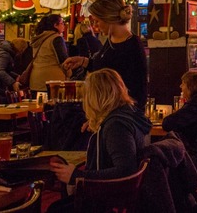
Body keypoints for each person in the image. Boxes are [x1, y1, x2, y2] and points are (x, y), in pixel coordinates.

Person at [48, 69, 151, 212]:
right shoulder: (130, 114)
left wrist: (78, 176)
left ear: (96, 97)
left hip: (107, 200)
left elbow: (125, 170)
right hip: (117, 197)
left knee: (55, 209)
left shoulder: (116, 125)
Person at [64, 0, 148, 110]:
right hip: (106, 111)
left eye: (97, 21)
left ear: (109, 18)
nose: (95, 26)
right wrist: (83, 61)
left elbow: (137, 89)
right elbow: (104, 67)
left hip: (120, 115)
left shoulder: (132, 45)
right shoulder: (111, 40)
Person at [29, 14, 69, 91]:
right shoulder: (56, 38)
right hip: (53, 82)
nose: (64, 25)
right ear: (55, 25)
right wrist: (69, 73)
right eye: (62, 23)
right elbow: (63, 60)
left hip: (35, 80)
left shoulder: (38, 39)